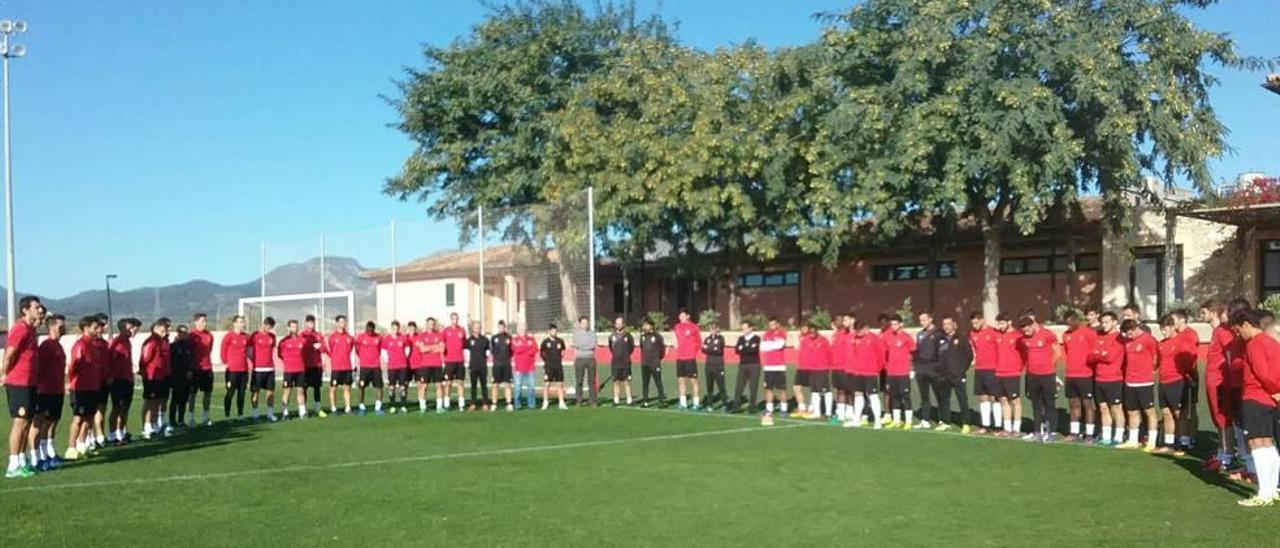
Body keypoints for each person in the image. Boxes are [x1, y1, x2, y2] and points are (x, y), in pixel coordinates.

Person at [1230, 308, 1280, 507]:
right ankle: (1272, 489)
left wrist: (1275, 389)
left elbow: (1263, 372)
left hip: (1256, 398)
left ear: (1246, 325)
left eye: (1238, 330)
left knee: (1258, 445)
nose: (1238, 335)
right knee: (1267, 444)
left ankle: (1265, 492)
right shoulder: (1271, 342)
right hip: (1267, 399)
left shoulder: (1254, 344)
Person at [1154, 315, 1194, 454]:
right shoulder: (1161, 343)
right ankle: (1169, 443)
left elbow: (1189, 363)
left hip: (1177, 381)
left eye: (1164, 329)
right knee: (1166, 413)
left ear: (1172, 327)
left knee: (1180, 414)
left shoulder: (1181, 342)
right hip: (1163, 382)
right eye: (1161, 329)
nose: (1162, 332)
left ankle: (1184, 444)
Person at [1117, 319, 1159, 451]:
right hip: (1130, 381)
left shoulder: (1148, 340)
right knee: (1132, 412)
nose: (1128, 337)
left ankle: (1152, 442)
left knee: (1149, 411)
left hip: (1145, 381)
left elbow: (1155, 359)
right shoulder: (1128, 342)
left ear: (1135, 329)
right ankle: (1132, 440)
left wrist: (1148, 371)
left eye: (1129, 334)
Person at [65, 317, 102, 461]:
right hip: (80, 388)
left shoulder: (93, 345)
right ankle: (71, 447)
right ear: (86, 328)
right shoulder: (80, 345)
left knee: (89, 418)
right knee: (79, 418)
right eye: (95, 327)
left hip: (92, 387)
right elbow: (73, 366)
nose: (99, 330)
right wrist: (70, 382)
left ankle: (81, 445)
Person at [1018, 315, 1060, 442]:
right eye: (1023, 331)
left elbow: (1057, 353)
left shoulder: (1047, 334)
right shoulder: (1023, 340)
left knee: (1049, 404)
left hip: (1047, 375)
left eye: (1028, 330)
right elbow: (1026, 356)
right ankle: (1037, 431)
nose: (1026, 333)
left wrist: (1048, 367)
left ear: (1033, 325)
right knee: (1035, 404)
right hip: (1032, 376)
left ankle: (1051, 432)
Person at [33, 315, 67, 469]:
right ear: (52, 327)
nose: (63, 328)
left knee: (53, 422)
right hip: (45, 391)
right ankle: (39, 455)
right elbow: (38, 368)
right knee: (42, 423)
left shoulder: (58, 346)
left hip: (57, 390)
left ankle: (50, 452)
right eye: (60, 326)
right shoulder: (46, 346)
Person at [1060, 310, 1098, 442]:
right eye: (1066, 324)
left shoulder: (1089, 333)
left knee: (1087, 405)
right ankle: (1074, 432)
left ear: (1076, 320)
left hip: (1085, 375)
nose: (1068, 326)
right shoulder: (1065, 335)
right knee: (1073, 405)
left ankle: (1089, 434)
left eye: (1070, 323)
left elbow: (1095, 351)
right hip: (1071, 375)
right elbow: (1065, 352)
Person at [1090, 311, 1126, 446]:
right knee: (1103, 407)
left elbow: (1110, 357)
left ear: (1114, 322)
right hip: (1099, 378)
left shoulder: (1119, 338)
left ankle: (1118, 436)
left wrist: (1099, 354)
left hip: (1114, 379)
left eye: (1106, 322)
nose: (1103, 325)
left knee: (1116, 408)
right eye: (1102, 322)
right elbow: (1091, 355)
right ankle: (1106, 436)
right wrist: (1100, 354)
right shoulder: (1098, 336)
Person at [935, 315, 972, 434]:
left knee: (962, 399)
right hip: (943, 376)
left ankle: (966, 423)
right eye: (944, 324)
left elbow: (969, 356)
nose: (946, 327)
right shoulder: (940, 339)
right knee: (944, 399)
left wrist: (961, 370)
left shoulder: (961, 338)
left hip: (957, 375)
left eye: (948, 324)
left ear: (954, 324)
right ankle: (946, 422)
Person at [846, 318, 886, 429]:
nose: (858, 333)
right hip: (858, 372)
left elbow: (881, 354)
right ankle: (857, 419)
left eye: (860, 331)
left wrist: (877, 368)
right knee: (858, 395)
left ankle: (878, 421)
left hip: (870, 373)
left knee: (873, 396)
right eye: (856, 331)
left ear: (866, 328)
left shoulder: (874, 338)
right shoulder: (854, 339)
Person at [107, 317, 140, 445]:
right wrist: (110, 377)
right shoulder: (117, 342)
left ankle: (122, 432)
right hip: (118, 380)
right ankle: (112, 434)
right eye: (130, 328)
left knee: (125, 408)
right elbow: (110, 361)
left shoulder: (127, 342)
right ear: (122, 328)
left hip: (127, 379)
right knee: (117, 408)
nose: (133, 330)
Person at [1170, 309, 1200, 448]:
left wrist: (1188, 373)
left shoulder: (1190, 334)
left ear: (1182, 320)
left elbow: (1190, 356)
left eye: (1173, 320)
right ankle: (1181, 435)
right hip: (1177, 376)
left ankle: (1191, 437)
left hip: (1188, 374)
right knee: (1179, 408)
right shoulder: (1175, 334)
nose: (1171, 323)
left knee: (1189, 408)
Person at [139, 318, 173, 439]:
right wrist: (145, 374)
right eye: (163, 328)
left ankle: (154, 424)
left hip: (161, 376)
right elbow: (145, 360)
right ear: (156, 328)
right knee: (150, 401)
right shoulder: (151, 341)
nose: (166, 331)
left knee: (157, 402)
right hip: (151, 376)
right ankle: (146, 427)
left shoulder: (162, 341)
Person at [969, 311, 1001, 434]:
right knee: (982, 398)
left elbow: (1000, 349)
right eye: (972, 323)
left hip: (992, 369)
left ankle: (998, 426)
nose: (974, 325)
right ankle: (985, 425)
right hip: (979, 369)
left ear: (982, 320)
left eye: (976, 322)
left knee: (994, 398)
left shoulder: (993, 332)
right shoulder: (972, 334)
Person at [882, 314, 915, 429]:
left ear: (901, 324)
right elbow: (885, 353)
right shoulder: (888, 337)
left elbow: (913, 353)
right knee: (894, 396)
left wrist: (911, 369)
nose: (893, 327)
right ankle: (896, 420)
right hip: (891, 372)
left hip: (903, 372)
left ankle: (908, 421)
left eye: (895, 324)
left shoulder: (907, 337)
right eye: (891, 324)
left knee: (905, 396)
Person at [993, 313, 1024, 437]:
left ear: (1009, 322)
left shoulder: (1018, 336)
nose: (1000, 326)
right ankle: (1007, 428)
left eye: (1002, 323)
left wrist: (1019, 368)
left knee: (1015, 401)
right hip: (999, 373)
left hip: (1012, 374)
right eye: (998, 323)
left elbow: (1024, 354)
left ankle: (1016, 429)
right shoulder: (998, 336)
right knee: (1003, 400)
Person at [913, 312, 945, 429]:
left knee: (940, 395)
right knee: (924, 397)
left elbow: (942, 352)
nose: (922, 322)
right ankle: (925, 419)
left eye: (924, 320)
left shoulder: (939, 333)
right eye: (920, 320)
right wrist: (915, 367)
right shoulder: (920, 334)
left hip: (935, 370)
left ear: (931, 319)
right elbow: (917, 352)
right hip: (922, 370)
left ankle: (943, 419)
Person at [795, 322, 832, 420]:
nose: (811, 334)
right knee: (814, 391)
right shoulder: (805, 341)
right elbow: (803, 355)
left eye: (813, 332)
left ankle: (828, 412)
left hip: (822, 369)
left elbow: (829, 353)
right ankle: (816, 412)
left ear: (816, 331)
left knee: (825, 391)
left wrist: (828, 366)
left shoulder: (823, 340)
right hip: (812, 370)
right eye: (810, 332)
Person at [187, 313, 216, 426]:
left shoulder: (209, 335)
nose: (205, 323)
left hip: (207, 368)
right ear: (196, 322)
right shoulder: (191, 336)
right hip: (195, 369)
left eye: (206, 321)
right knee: (192, 394)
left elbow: (209, 350)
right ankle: (191, 418)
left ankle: (205, 417)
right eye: (203, 321)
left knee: (207, 393)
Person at [221, 315, 252, 421]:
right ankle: (227, 414)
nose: (242, 324)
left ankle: (240, 414)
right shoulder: (229, 336)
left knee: (242, 393)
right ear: (234, 323)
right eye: (239, 322)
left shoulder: (246, 337)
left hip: (244, 370)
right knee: (230, 392)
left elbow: (250, 350)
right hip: (232, 370)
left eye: (243, 322)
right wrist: (228, 363)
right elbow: (223, 351)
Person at [277, 320, 309, 419]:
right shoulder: (283, 341)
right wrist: (289, 361)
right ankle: (285, 413)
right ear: (288, 328)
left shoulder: (303, 340)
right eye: (292, 327)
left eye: (296, 327)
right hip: (289, 370)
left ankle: (302, 412)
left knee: (300, 391)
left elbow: (305, 353)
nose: (294, 329)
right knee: (287, 391)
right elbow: (280, 355)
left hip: (301, 370)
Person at [249, 317, 278, 422]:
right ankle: (255, 415)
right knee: (255, 392)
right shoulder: (254, 335)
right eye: (268, 326)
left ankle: (270, 414)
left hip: (270, 369)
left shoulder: (272, 337)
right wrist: (255, 362)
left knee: (270, 392)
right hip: (257, 369)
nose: (269, 329)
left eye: (271, 327)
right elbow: (249, 351)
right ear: (263, 324)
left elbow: (272, 350)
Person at [760, 317, 790, 421]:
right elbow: (762, 347)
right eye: (770, 324)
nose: (771, 326)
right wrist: (772, 345)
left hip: (779, 366)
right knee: (768, 388)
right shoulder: (766, 334)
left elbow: (780, 345)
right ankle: (769, 409)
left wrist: (770, 345)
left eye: (773, 324)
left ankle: (784, 409)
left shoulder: (781, 333)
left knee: (782, 389)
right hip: (768, 366)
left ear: (777, 324)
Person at [673, 310, 702, 410]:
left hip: (690, 358)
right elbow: (677, 340)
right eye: (679, 316)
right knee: (681, 380)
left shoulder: (693, 327)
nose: (681, 318)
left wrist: (693, 351)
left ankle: (696, 403)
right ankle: (683, 403)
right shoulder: (677, 327)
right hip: (680, 358)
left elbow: (699, 342)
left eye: (682, 316)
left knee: (693, 381)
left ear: (688, 316)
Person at [326, 315, 356, 415]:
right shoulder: (333, 337)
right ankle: (333, 408)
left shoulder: (349, 337)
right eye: (341, 322)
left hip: (347, 367)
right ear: (337, 323)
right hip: (336, 367)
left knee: (347, 387)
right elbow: (331, 350)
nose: (343, 324)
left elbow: (350, 349)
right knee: (333, 388)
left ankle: (348, 408)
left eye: (344, 322)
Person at [300, 315, 328, 418]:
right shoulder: (302, 335)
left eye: (313, 323)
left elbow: (324, 348)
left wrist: (324, 360)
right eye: (310, 323)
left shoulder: (318, 335)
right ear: (306, 323)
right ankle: (304, 409)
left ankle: (318, 409)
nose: (312, 325)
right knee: (304, 388)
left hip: (317, 365)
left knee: (317, 388)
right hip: (305, 366)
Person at [416, 318, 446, 413]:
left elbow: (442, 349)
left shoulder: (439, 335)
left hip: (437, 364)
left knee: (439, 385)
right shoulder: (422, 336)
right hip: (426, 364)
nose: (431, 325)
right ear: (427, 324)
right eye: (429, 323)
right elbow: (422, 350)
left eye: (433, 323)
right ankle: (422, 407)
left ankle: (439, 407)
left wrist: (428, 347)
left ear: (434, 324)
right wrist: (434, 346)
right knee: (423, 386)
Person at [354, 321, 384, 415]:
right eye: (368, 329)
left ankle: (378, 407)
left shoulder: (379, 337)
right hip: (364, 367)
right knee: (361, 387)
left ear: (374, 329)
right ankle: (361, 407)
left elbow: (379, 350)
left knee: (379, 386)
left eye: (371, 330)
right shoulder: (360, 337)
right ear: (366, 328)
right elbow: (357, 350)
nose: (369, 331)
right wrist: (364, 358)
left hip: (376, 366)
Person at [381, 320, 411, 414]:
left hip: (402, 366)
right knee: (392, 387)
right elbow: (383, 351)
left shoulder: (403, 338)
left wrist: (403, 357)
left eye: (396, 328)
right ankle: (392, 406)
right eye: (393, 328)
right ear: (391, 328)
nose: (395, 330)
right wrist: (387, 361)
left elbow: (407, 348)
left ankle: (403, 406)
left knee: (402, 387)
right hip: (392, 366)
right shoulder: (387, 339)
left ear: (398, 329)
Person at [168, 325, 194, 429]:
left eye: (186, 333)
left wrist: (190, 371)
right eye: (182, 332)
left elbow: (191, 360)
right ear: (178, 333)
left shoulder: (189, 346)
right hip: (176, 377)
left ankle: (181, 420)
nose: (185, 335)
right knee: (175, 399)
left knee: (184, 400)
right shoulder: (173, 346)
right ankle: (172, 420)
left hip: (186, 377)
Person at [733, 320, 761, 414]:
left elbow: (753, 350)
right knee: (739, 386)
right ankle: (736, 407)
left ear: (750, 328)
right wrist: (747, 348)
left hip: (754, 365)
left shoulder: (756, 338)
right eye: (742, 328)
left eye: (745, 328)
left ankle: (752, 407)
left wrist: (743, 348)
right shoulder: (741, 338)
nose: (743, 330)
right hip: (742, 365)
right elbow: (737, 350)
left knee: (753, 387)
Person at [441, 313, 468, 411]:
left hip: (460, 360)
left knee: (460, 383)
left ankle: (461, 404)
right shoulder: (445, 331)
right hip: (449, 361)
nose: (454, 321)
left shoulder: (462, 330)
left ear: (458, 320)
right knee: (448, 383)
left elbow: (464, 344)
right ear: (450, 320)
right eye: (453, 319)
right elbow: (442, 344)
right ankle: (447, 404)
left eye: (456, 319)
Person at [571, 316, 598, 408]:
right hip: (579, 359)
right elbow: (576, 344)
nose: (585, 325)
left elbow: (593, 344)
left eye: (586, 323)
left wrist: (581, 346)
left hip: (591, 358)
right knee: (579, 381)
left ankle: (593, 401)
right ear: (580, 324)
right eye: (583, 323)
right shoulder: (576, 334)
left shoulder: (592, 333)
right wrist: (584, 346)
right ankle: (579, 401)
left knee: (592, 381)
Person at [607, 316, 635, 407]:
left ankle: (629, 400)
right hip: (615, 362)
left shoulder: (628, 336)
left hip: (626, 362)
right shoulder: (612, 336)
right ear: (615, 325)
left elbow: (631, 348)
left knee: (627, 381)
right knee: (616, 382)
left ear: (623, 324)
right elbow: (611, 348)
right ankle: (616, 400)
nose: (618, 325)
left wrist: (625, 355)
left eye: (620, 323)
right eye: (617, 323)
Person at [639, 319, 666, 408]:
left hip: (654, 363)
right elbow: (642, 348)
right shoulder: (642, 336)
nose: (644, 327)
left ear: (651, 326)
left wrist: (657, 359)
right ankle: (645, 401)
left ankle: (661, 401)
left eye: (646, 325)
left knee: (658, 382)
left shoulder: (657, 336)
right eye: (643, 325)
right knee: (645, 383)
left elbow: (662, 350)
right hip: (645, 363)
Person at [540, 324, 568, 410]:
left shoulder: (560, 341)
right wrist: (547, 361)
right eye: (552, 331)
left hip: (558, 366)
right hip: (549, 367)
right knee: (547, 384)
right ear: (549, 331)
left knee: (559, 384)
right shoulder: (545, 342)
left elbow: (563, 351)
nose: (554, 332)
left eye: (555, 331)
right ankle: (545, 402)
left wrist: (558, 359)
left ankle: (561, 402)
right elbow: (542, 353)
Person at [465, 321, 491, 411]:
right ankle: (473, 404)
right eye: (476, 327)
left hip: (483, 366)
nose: (477, 329)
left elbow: (488, 352)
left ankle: (485, 404)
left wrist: (485, 357)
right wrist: (469, 364)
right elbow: (466, 353)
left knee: (484, 385)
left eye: (479, 327)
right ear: (473, 329)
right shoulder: (468, 341)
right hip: (473, 366)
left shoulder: (485, 339)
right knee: (473, 386)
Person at [701, 323, 728, 412]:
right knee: (709, 387)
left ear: (717, 329)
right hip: (709, 365)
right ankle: (710, 404)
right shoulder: (707, 339)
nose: (712, 330)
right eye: (711, 328)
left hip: (718, 366)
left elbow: (719, 350)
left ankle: (724, 404)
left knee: (721, 386)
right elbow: (703, 349)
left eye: (714, 328)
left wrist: (708, 348)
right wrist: (711, 348)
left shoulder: (721, 338)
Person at [489, 320, 515, 411]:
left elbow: (512, 351)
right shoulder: (494, 338)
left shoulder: (509, 337)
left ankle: (508, 403)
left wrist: (506, 358)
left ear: (505, 327)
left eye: (503, 327)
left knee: (507, 384)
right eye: (500, 327)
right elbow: (492, 351)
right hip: (497, 365)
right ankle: (494, 404)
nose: (501, 329)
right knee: (495, 385)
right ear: (498, 327)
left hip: (507, 364)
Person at [512, 323, 538, 410]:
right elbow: (517, 350)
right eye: (521, 329)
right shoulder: (515, 340)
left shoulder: (531, 339)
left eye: (524, 329)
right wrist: (528, 347)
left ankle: (531, 405)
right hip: (519, 368)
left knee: (531, 387)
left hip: (530, 367)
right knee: (518, 387)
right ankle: (517, 405)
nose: (523, 331)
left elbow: (535, 350)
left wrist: (524, 348)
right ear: (518, 330)